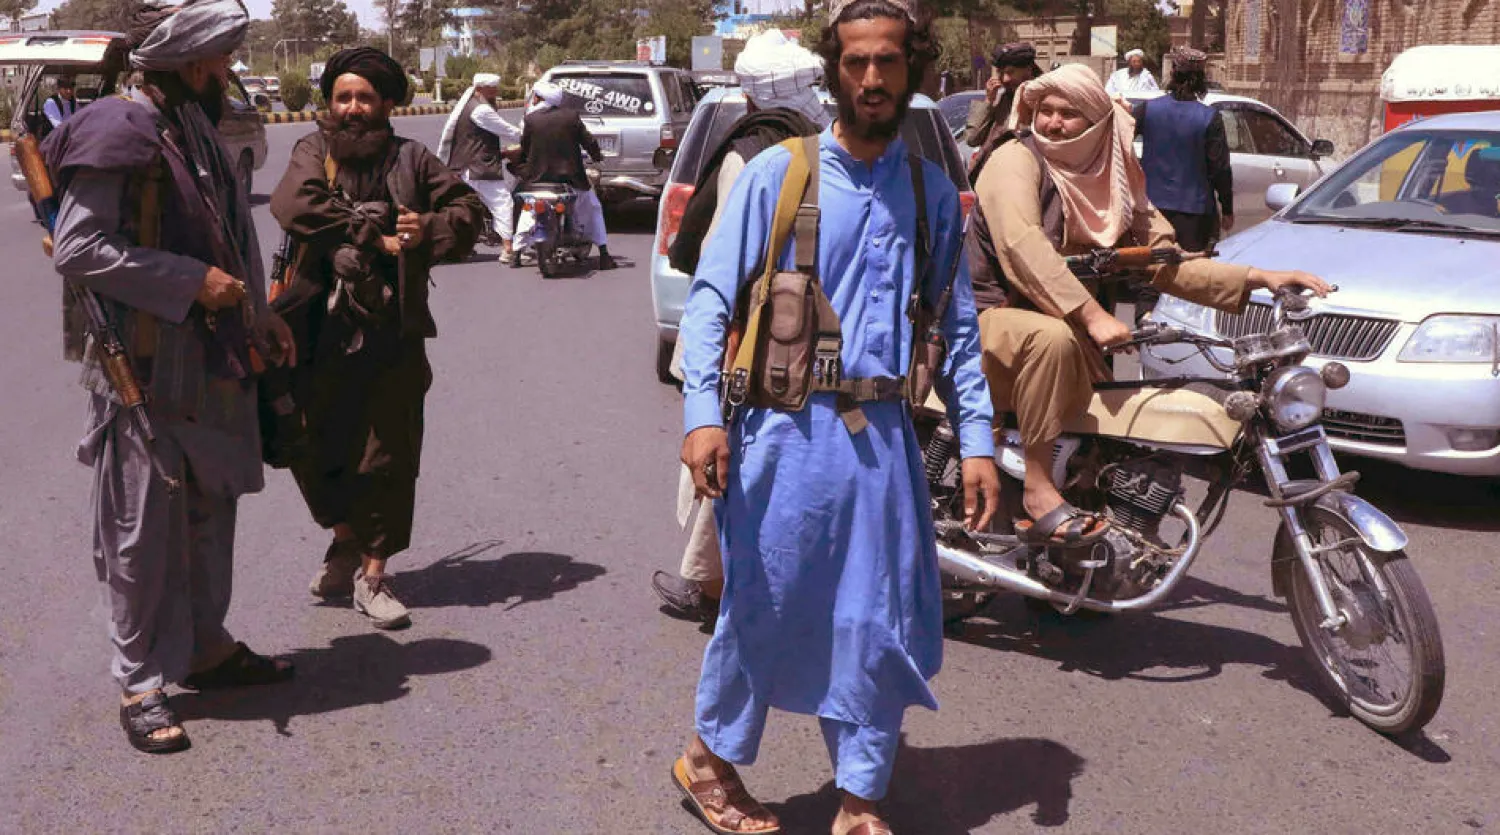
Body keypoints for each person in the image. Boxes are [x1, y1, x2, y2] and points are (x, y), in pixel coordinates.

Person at [673, 1, 1001, 832]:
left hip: (886, 440)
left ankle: (859, 796)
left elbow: (958, 326)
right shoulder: (779, 174)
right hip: (782, 434)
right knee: (765, 601)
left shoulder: (931, 193)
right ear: (835, 70)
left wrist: (979, 444)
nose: (871, 78)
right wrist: (703, 415)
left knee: (876, 615)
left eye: (888, 61)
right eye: (855, 62)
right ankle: (709, 760)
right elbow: (711, 300)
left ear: (913, 69)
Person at [43, 0, 297, 755]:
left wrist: (257, 313)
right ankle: (141, 681)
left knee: (210, 509)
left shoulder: (189, 127)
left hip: (213, 361)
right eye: (222, 63)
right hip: (145, 368)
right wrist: (192, 283)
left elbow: (229, 226)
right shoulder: (120, 129)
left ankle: (206, 647)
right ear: (192, 66)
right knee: (139, 530)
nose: (229, 75)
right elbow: (79, 249)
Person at [969, 64, 1329, 545]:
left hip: (1068, 331)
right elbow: (1022, 247)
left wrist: (1259, 277)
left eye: (1068, 114)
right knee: (1051, 338)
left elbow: (1166, 261)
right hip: (983, 320)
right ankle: (1037, 486)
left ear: (1097, 122)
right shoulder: (1014, 159)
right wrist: (1092, 316)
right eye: (1045, 111)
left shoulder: (1116, 177)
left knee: (1120, 427)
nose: (1052, 123)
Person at [271, 46, 485, 630]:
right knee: (311, 446)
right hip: (316, 334)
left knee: (386, 456)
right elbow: (294, 204)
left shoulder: (412, 158)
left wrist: (425, 228)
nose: (353, 108)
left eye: (365, 97)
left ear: (387, 104)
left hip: (391, 335)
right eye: (343, 97)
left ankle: (372, 573)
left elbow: (470, 211)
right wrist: (377, 232)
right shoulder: (312, 150)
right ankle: (343, 538)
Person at [651, 27, 831, 624]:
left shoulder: (749, 150)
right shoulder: (824, 140)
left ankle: (709, 584)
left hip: (753, 334)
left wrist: (725, 341)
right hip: (804, 329)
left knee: (727, 456)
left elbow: (724, 265)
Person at [1131, 47, 1234, 323]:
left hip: (1153, 208)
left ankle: (1146, 318)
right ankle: (1184, 326)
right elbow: (1220, 168)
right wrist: (1228, 207)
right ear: (1201, 79)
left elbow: (1121, 137)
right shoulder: (1208, 117)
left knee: (1152, 269)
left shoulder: (1148, 110)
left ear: (1172, 75)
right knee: (1191, 271)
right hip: (1195, 210)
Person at [512, 80, 617, 270]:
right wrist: (597, 156)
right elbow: (588, 141)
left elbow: (525, 149)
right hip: (571, 179)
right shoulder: (571, 117)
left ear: (538, 98)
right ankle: (604, 254)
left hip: (538, 180)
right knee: (593, 208)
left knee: (528, 211)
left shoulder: (531, 119)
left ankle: (516, 254)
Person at [439, 72, 524, 264]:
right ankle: (508, 248)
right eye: (491, 90)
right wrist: (531, 138)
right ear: (479, 89)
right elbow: (506, 130)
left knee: (469, 208)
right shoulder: (480, 110)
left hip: (469, 166)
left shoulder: (474, 106)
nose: (495, 93)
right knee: (503, 203)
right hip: (479, 168)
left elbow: (478, 139)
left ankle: (462, 246)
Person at [962, 42, 1040, 151]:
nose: (1005, 79)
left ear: (1028, 69)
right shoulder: (1002, 102)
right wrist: (988, 101)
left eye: (1010, 72)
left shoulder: (1045, 101)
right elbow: (972, 139)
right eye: (1001, 73)